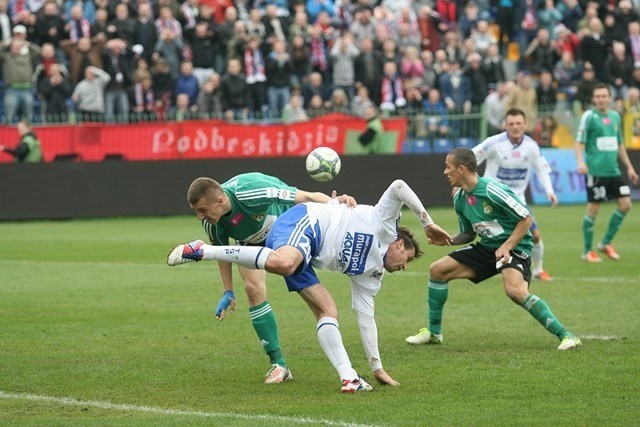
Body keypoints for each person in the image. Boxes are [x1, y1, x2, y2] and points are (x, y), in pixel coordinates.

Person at [168, 179, 452, 392]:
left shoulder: (371, 276)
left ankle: (349, 378)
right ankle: (202, 251)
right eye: (407, 258)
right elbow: (399, 186)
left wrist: (377, 367)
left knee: (327, 310)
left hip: (304, 248)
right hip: (304, 221)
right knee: (283, 264)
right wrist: (428, 223)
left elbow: (367, 321)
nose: (404, 266)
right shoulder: (385, 224)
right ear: (399, 243)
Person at [165, 173, 357, 385]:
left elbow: (305, 197)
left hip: (289, 231)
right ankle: (279, 364)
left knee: (317, 301)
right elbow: (221, 251)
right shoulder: (212, 222)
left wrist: (335, 205)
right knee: (252, 289)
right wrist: (227, 290)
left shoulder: (252, 192)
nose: (200, 217)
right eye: (197, 212)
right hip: (250, 244)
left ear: (220, 201)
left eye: (202, 210)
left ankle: (346, 366)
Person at [405, 148, 582, 351]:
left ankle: (567, 336)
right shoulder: (459, 198)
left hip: (515, 247)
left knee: (515, 291)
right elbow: (468, 234)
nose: (445, 172)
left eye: (448, 167)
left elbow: (526, 218)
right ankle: (434, 334)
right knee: (437, 270)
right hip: (487, 249)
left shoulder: (492, 190)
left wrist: (507, 246)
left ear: (461, 169)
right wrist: (448, 240)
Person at [471, 108, 557, 281]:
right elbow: (469, 158)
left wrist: (550, 191)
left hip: (517, 201)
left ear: (525, 125)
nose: (515, 127)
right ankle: (483, 266)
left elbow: (541, 170)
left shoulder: (532, 146)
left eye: (519, 123)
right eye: (511, 124)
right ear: (505, 125)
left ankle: (538, 270)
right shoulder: (493, 143)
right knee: (491, 235)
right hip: (492, 200)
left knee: (535, 235)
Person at [574, 84, 639, 262]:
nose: (601, 99)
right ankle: (587, 251)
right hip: (596, 171)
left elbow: (619, 144)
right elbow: (578, 142)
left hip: (614, 171)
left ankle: (605, 243)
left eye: (604, 96)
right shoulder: (589, 116)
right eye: (598, 96)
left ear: (609, 98)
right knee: (593, 208)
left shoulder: (615, 116)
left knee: (626, 204)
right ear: (593, 99)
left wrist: (629, 167)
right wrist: (581, 162)